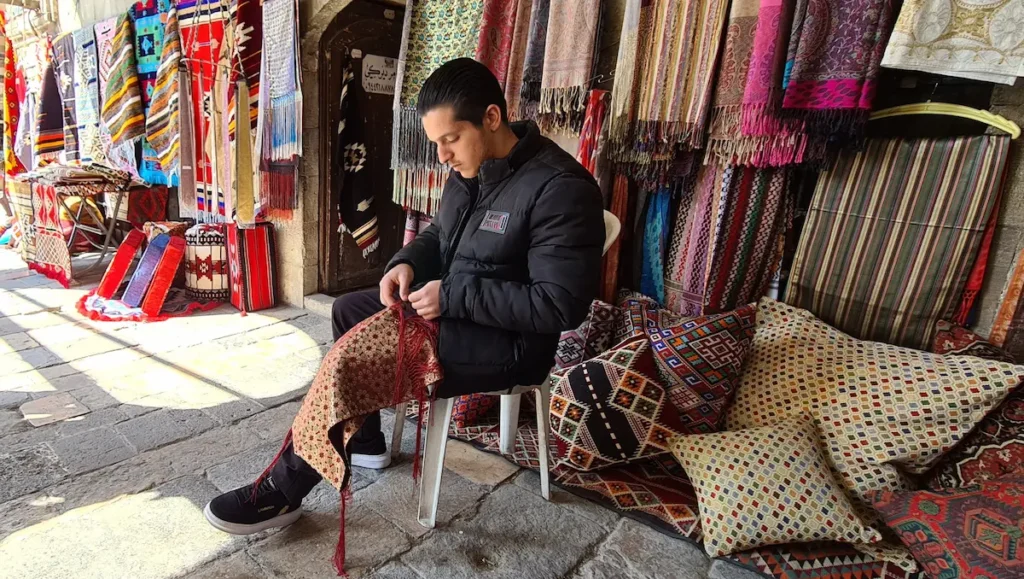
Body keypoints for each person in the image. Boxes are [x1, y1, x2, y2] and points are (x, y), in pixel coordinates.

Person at [204, 58, 604, 535]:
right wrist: (405, 263)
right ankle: (367, 441)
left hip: (510, 344)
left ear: (492, 118)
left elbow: (559, 305)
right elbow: (441, 236)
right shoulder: (472, 171)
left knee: (353, 361)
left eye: (450, 140)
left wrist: (453, 296)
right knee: (350, 310)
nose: (443, 156)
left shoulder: (561, 189)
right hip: (457, 313)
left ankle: (282, 491)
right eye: (436, 143)